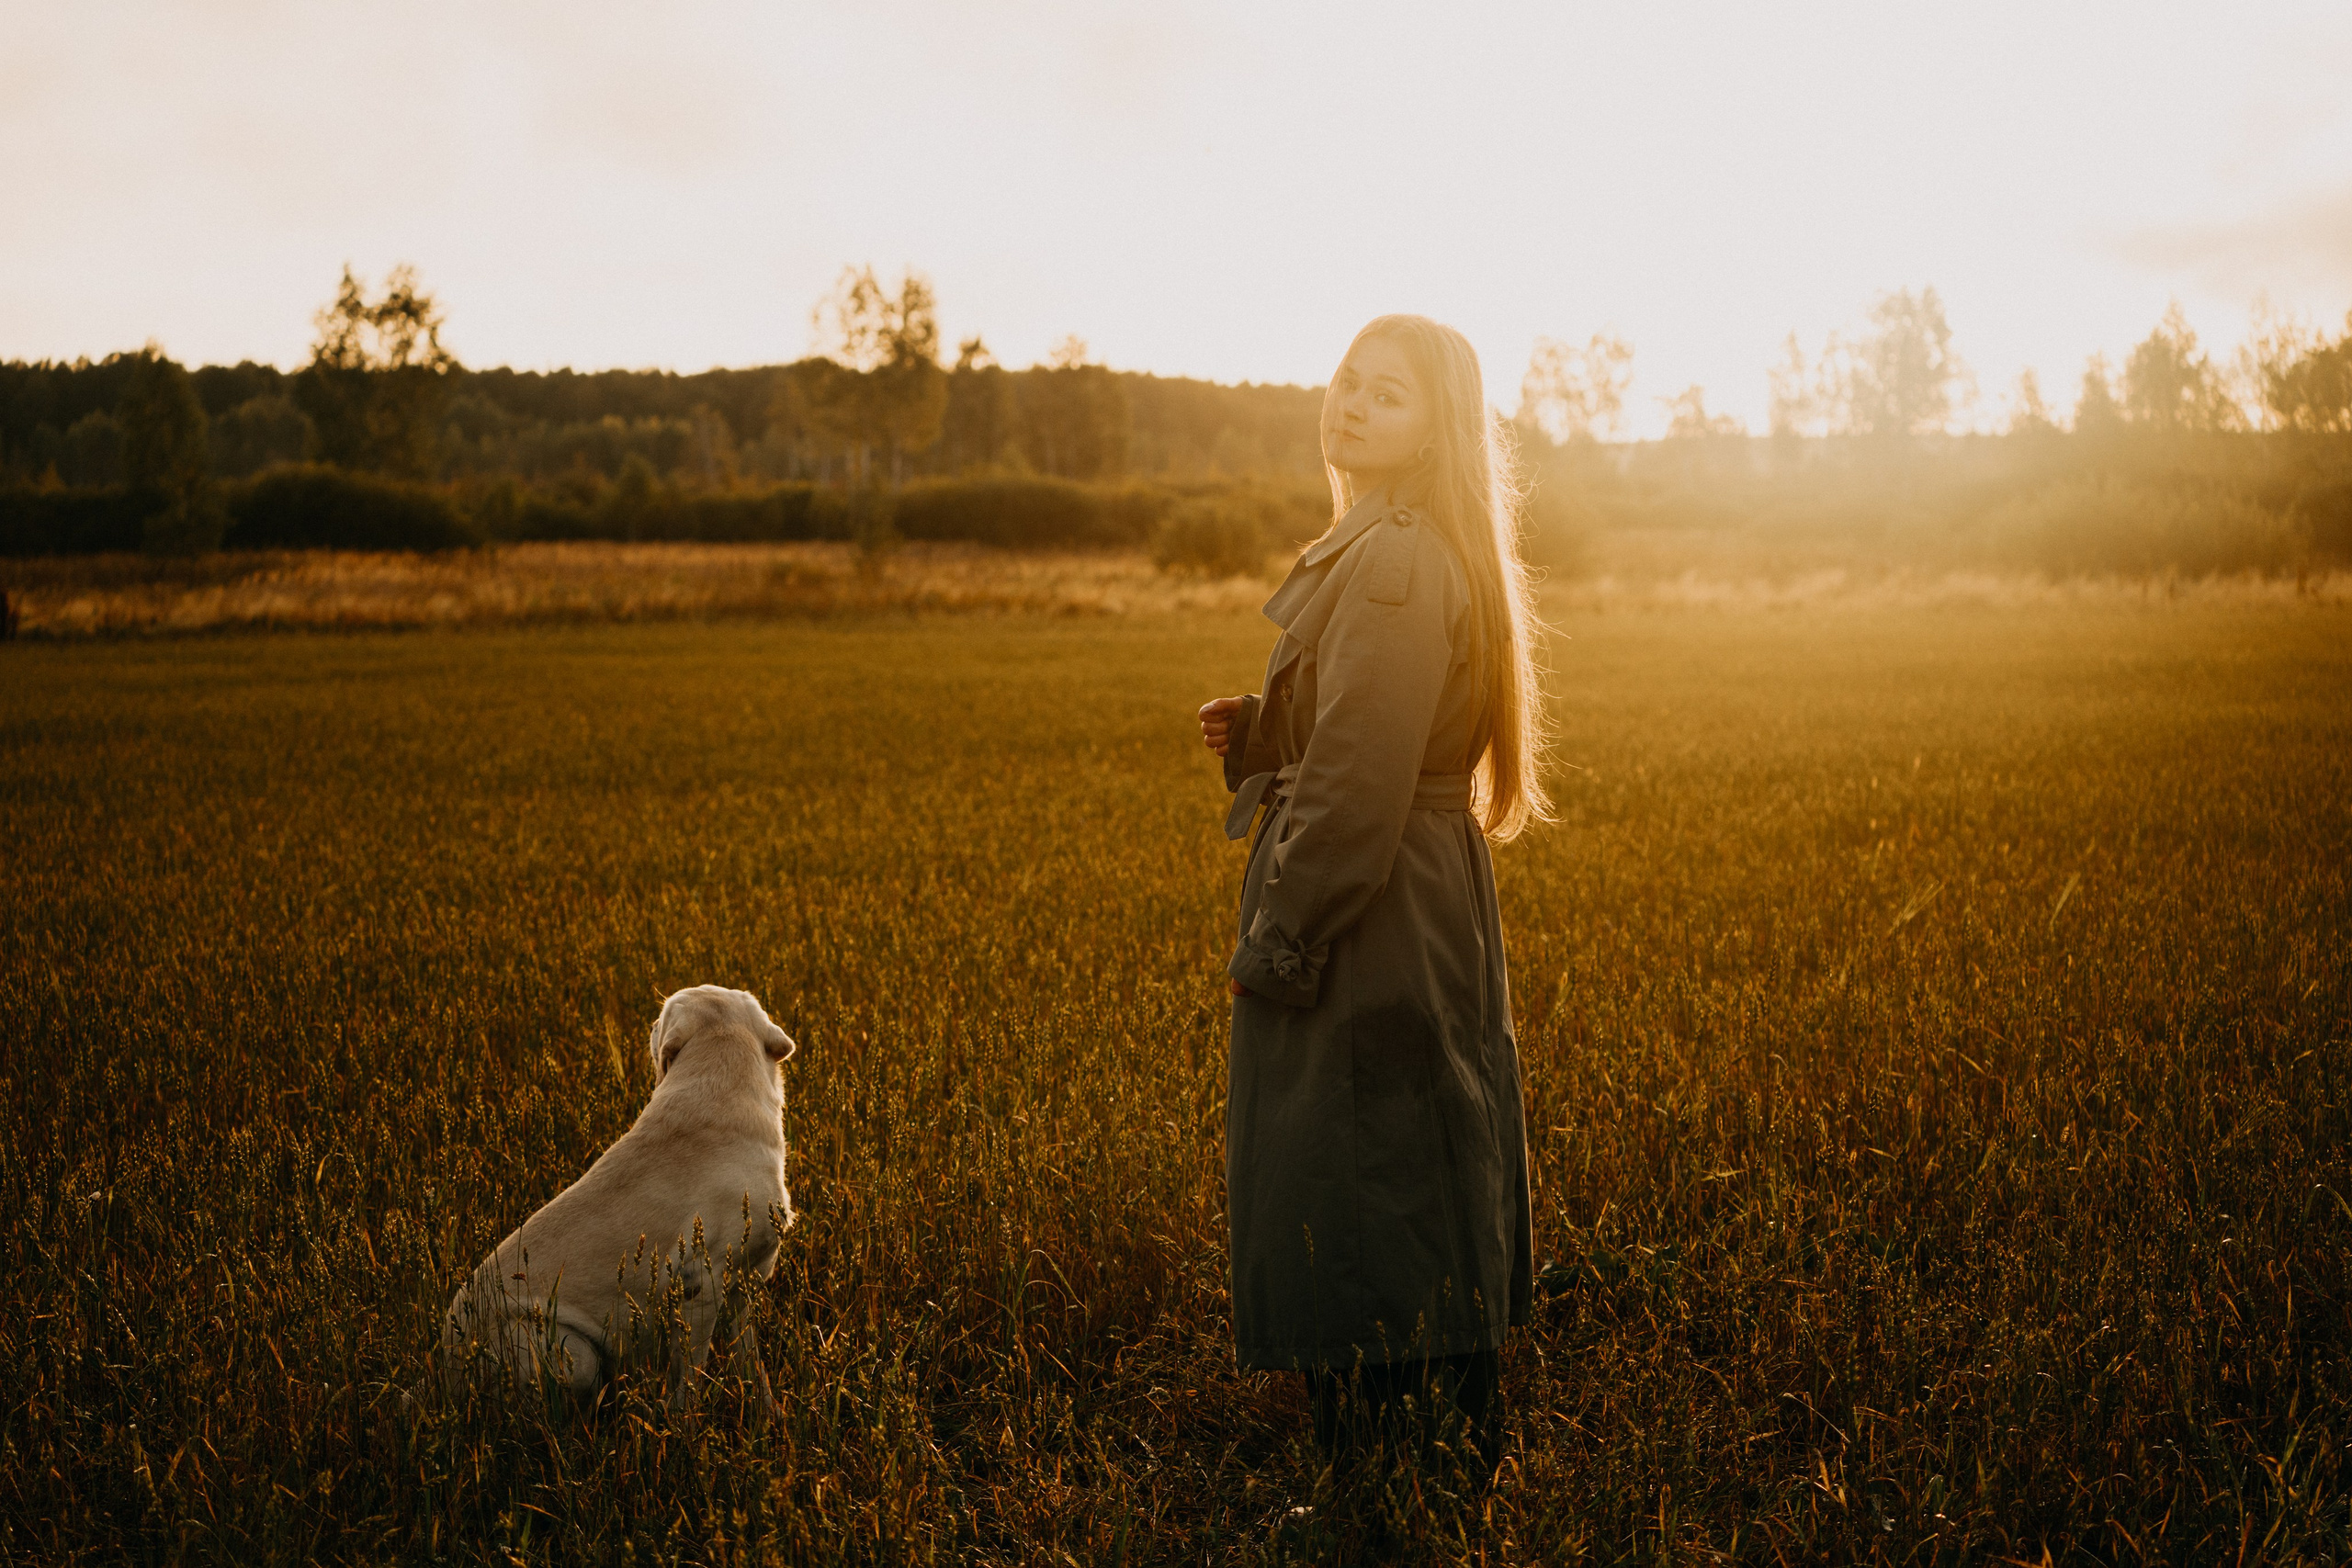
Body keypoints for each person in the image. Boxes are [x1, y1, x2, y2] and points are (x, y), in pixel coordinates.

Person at [1198, 314, 1549, 1489]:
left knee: (1373, 1180)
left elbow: (1359, 786)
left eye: (1386, 394)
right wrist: (1263, 738)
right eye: (1348, 380)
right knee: (1394, 1169)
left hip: (1374, 912)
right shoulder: (1380, 544)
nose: (1350, 403)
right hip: (1393, 891)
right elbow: (1363, 741)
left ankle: (1402, 1490)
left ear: (1433, 427)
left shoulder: (1396, 557)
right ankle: (1412, 1481)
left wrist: (1280, 936)